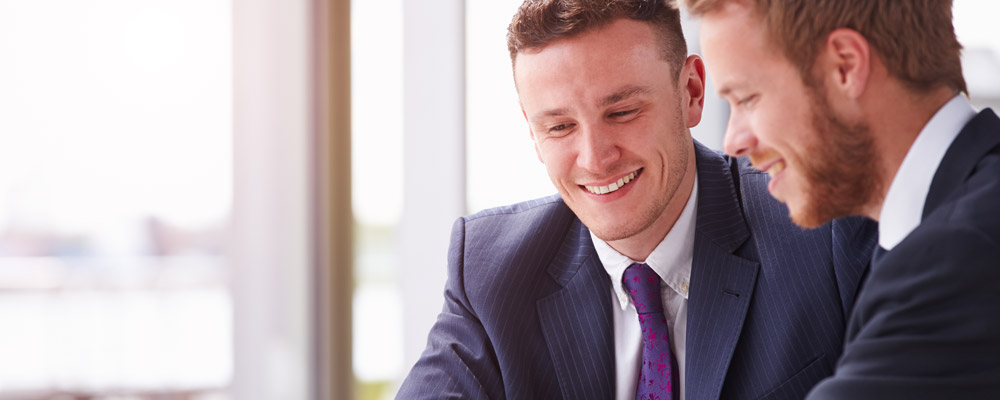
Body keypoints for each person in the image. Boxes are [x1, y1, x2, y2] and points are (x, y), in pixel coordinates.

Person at [397, 1, 876, 399]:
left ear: (690, 93)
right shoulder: (490, 271)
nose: (596, 158)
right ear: (532, 130)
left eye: (622, 111)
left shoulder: (823, 228)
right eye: (559, 126)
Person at [686, 0, 1000, 398]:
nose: (732, 142)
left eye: (747, 99)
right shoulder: (935, 231)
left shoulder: (961, 257)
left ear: (846, 65)